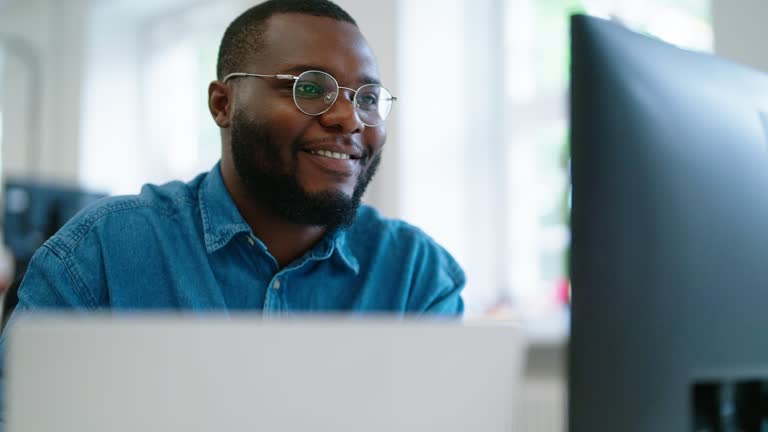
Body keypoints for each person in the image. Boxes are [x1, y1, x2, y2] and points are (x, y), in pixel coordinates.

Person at [0, 0, 464, 371]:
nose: (349, 118)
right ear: (224, 104)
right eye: (308, 88)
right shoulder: (100, 253)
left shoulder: (415, 275)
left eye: (367, 98)